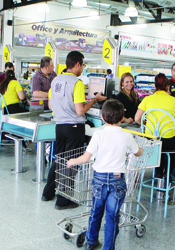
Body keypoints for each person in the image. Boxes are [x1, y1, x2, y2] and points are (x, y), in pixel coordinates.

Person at [67, 99, 143, 250]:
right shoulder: (127, 136)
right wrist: (140, 149)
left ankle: (91, 242)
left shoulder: (98, 135)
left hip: (99, 179)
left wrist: (72, 161)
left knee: (96, 212)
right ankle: (108, 248)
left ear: (102, 117)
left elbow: (86, 158)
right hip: (117, 181)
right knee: (112, 217)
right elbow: (138, 152)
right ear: (122, 118)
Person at [41, 51, 106, 210]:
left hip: (60, 126)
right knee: (71, 163)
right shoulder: (76, 83)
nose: (82, 68)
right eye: (82, 65)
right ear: (77, 64)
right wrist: (94, 100)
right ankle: (63, 200)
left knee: (59, 159)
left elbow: (50, 105)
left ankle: (48, 193)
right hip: (74, 127)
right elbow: (80, 111)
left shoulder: (55, 80)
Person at [135, 73, 175, 180]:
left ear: (155, 86)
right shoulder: (174, 101)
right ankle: (168, 173)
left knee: (159, 147)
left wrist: (147, 126)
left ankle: (158, 172)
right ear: (168, 87)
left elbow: (137, 118)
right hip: (168, 141)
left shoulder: (147, 99)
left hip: (151, 141)